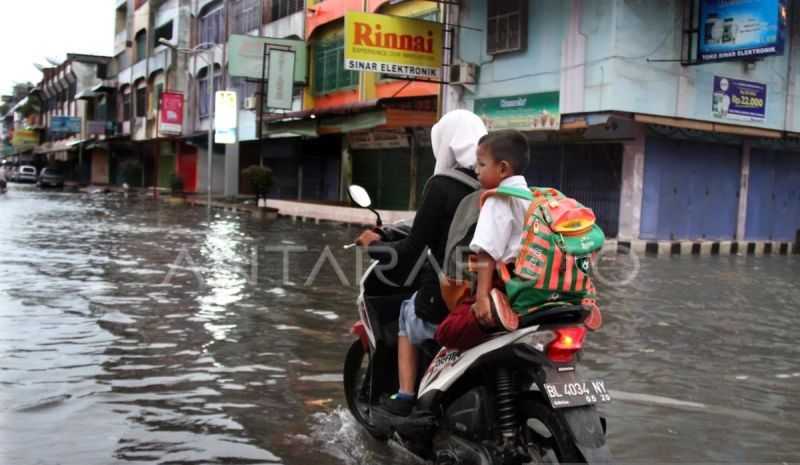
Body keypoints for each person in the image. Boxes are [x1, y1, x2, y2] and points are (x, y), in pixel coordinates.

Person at [355, 109, 487, 416]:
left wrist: (376, 245)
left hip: (451, 292)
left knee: (407, 312)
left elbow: (413, 249)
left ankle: (404, 395)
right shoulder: (495, 181)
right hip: (493, 291)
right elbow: (425, 225)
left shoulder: (441, 185)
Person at [435, 130, 532, 350]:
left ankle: (496, 322)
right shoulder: (532, 198)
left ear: (503, 168)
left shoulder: (496, 199)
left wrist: (482, 300)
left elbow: (486, 253)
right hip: (527, 284)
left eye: (481, 164)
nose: (476, 170)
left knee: (446, 332)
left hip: (501, 284)